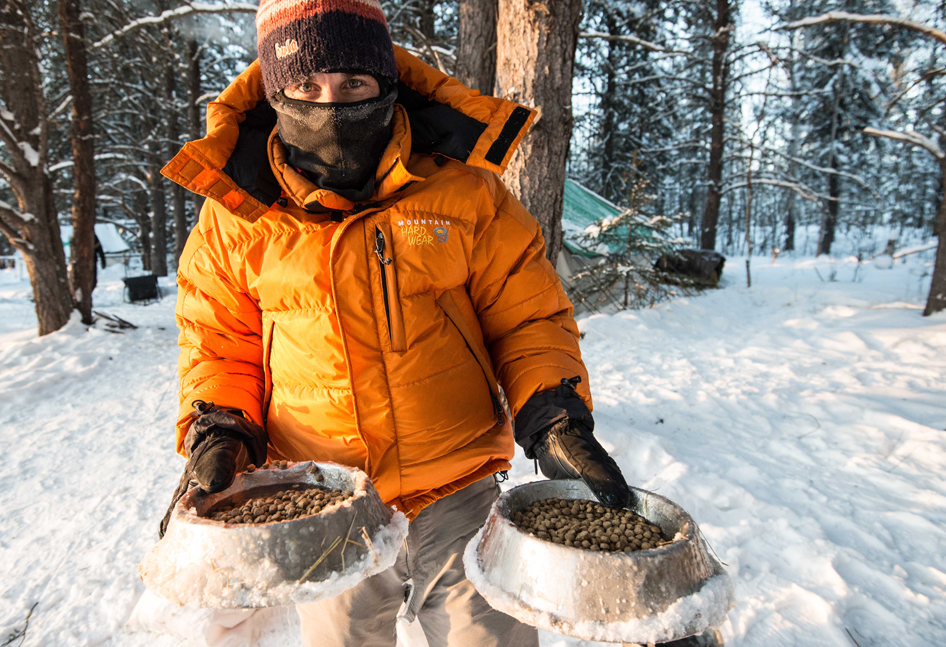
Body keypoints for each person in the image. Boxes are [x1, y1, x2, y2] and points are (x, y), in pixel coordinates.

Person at [160, 1, 632, 645]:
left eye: (353, 83)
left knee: (486, 636)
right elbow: (219, 341)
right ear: (274, 93)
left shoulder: (464, 189)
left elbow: (527, 318)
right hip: (323, 494)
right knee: (346, 636)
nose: (330, 104)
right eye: (304, 86)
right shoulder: (236, 213)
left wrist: (553, 415)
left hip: (459, 480)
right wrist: (221, 427)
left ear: (386, 82)